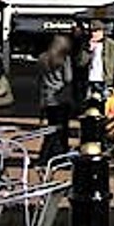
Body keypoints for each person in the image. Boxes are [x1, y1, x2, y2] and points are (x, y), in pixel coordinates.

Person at [37, 33, 74, 166]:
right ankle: (57, 155)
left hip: (48, 98)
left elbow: (40, 81)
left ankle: (47, 155)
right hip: (61, 98)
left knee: (51, 127)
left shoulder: (42, 58)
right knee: (62, 130)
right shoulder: (64, 59)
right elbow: (68, 78)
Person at [76, 18, 114, 106]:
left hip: (106, 82)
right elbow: (80, 64)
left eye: (96, 31)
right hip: (90, 82)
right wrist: (88, 51)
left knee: (106, 106)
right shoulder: (85, 45)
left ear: (102, 32)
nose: (93, 34)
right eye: (91, 31)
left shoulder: (113, 46)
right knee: (89, 107)